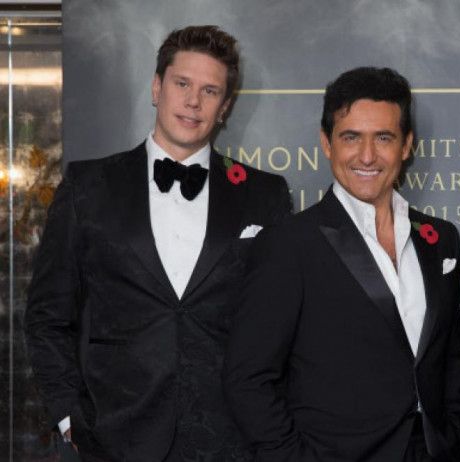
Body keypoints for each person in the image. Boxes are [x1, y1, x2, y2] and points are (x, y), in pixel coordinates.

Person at [25, 25, 291, 461]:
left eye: (210, 91)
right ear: (156, 88)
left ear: (224, 107)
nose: (193, 101)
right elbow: (47, 316)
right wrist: (69, 415)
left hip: (231, 440)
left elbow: (281, 325)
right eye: (182, 84)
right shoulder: (88, 185)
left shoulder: (265, 195)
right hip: (113, 438)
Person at [223, 66, 460, 462]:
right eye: (351, 137)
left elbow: (451, 360)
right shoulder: (289, 244)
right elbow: (248, 379)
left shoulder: (439, 239)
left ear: (406, 145)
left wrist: (453, 436)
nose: (367, 156)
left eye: (383, 138)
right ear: (327, 143)